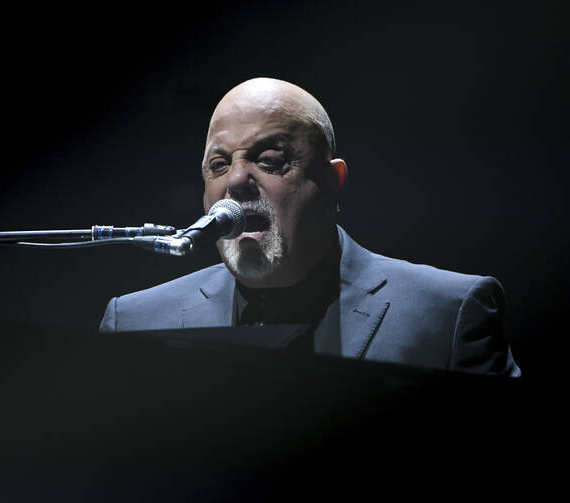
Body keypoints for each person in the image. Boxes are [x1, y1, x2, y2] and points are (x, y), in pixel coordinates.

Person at [100, 77, 520, 376]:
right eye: (219, 164)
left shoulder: (449, 314)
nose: (235, 181)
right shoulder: (135, 322)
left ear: (333, 183)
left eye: (269, 161)